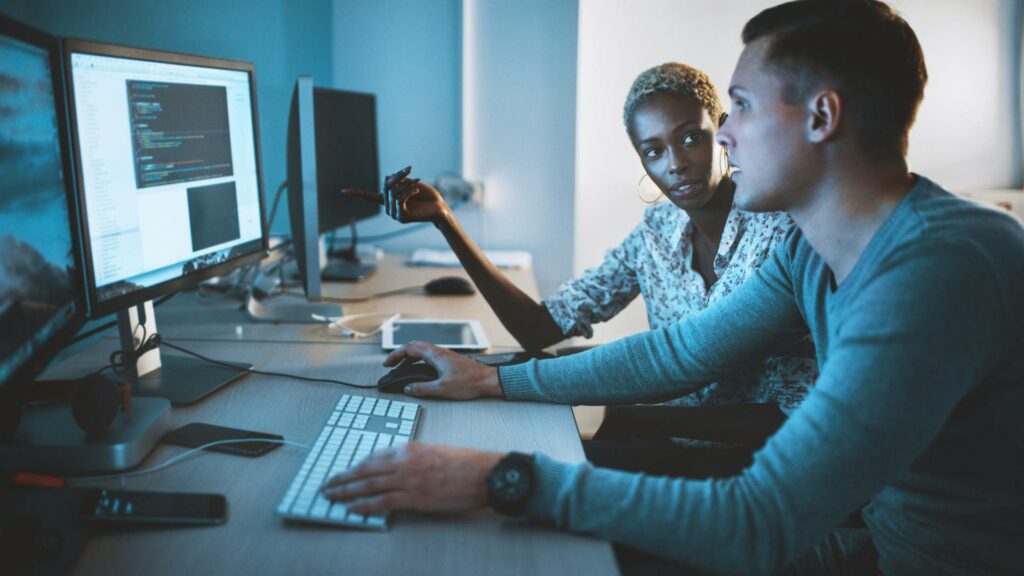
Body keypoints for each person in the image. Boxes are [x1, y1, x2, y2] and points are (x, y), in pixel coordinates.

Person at [323, 1, 1024, 574]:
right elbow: (674, 356)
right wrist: (493, 382)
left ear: (822, 117)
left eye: (740, 108)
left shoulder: (940, 268)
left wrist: (500, 477)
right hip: (866, 536)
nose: (726, 139)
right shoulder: (814, 251)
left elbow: (757, 522)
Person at [349, 64, 817, 476]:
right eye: (652, 150)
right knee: (529, 414)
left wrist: (635, 416)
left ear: (723, 129)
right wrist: (445, 220)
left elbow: (753, 396)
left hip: (766, 461)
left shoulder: (783, 232)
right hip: (674, 440)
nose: (674, 163)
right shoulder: (657, 230)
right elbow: (541, 328)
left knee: (534, 463)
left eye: (690, 137)